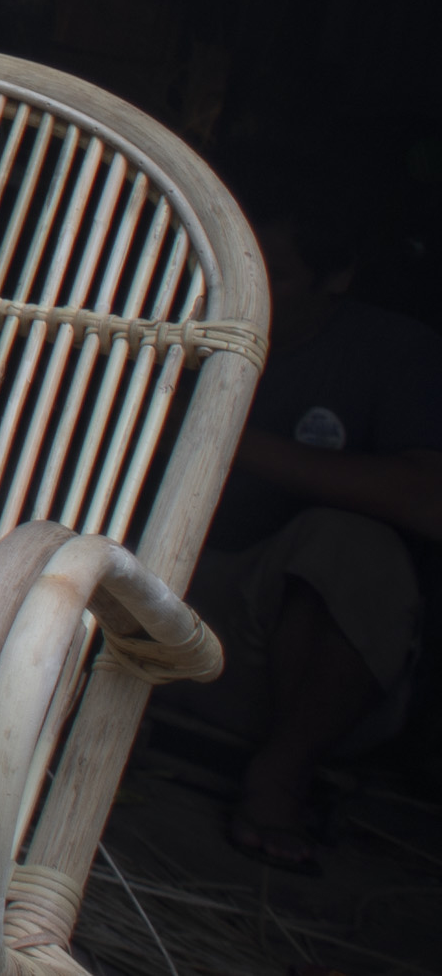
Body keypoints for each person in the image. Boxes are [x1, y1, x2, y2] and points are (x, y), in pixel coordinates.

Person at [177, 192, 442, 870]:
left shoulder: (393, 351)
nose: (247, 291)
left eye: (277, 274)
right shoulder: (184, 321)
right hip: (164, 624)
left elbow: (425, 497)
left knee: (348, 543)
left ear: (338, 275)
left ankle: (281, 776)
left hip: (293, 674)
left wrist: (219, 433)